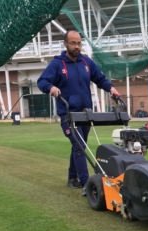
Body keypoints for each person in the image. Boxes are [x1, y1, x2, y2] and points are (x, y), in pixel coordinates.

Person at [37, 30, 120, 195]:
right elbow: (42, 81)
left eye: (79, 43)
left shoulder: (87, 63)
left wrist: (111, 88)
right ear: (65, 44)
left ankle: (72, 177)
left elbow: (100, 79)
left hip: (86, 114)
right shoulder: (57, 65)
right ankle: (86, 183)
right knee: (79, 146)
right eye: (73, 43)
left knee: (79, 146)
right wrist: (51, 87)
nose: (77, 46)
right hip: (68, 114)